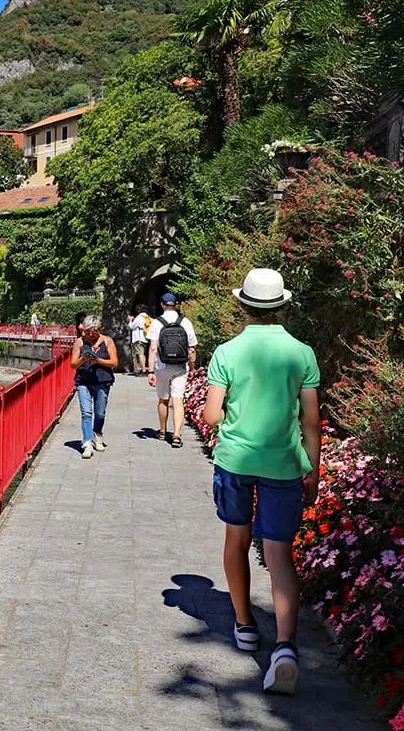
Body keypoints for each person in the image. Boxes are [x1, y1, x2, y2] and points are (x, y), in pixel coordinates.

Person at [202, 269, 320, 695]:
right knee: (279, 554)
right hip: (286, 464)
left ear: (243, 305)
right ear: (282, 305)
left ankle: (245, 624)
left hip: (236, 460)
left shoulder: (228, 352)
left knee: (237, 538)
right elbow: (311, 420)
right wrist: (314, 470)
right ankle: (285, 647)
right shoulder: (301, 353)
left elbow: (212, 415)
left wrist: (232, 412)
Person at [146, 292, 197, 447]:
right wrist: (193, 367)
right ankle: (176, 435)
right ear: (176, 305)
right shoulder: (185, 322)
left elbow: (153, 348)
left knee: (163, 399)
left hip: (162, 366)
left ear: (162, 304)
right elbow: (192, 349)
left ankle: (162, 431)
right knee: (178, 399)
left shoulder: (157, 323)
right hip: (180, 366)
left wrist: (150, 371)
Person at [69, 316, 118, 459]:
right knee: (86, 413)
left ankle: (98, 434)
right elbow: (73, 364)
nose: (90, 334)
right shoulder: (79, 342)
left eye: (94, 331)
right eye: (88, 331)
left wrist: (98, 360)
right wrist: (83, 359)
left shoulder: (107, 341)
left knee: (100, 412)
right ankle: (87, 442)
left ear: (99, 330)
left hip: (102, 381)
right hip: (83, 381)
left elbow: (114, 362)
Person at [127, 306, 152, 375]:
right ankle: (144, 368)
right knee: (143, 353)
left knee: (140, 354)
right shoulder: (147, 317)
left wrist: (130, 320)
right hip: (145, 338)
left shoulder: (139, 317)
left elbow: (131, 326)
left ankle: (143, 370)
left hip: (138, 338)